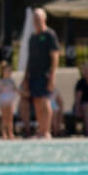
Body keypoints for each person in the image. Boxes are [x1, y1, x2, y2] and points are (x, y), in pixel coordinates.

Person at [25, 8, 60, 139]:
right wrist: (26, 77)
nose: (36, 22)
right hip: (33, 74)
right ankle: (41, 130)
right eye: (34, 19)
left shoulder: (50, 35)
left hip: (45, 74)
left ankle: (47, 131)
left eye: (38, 19)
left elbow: (55, 56)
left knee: (45, 101)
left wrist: (52, 75)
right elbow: (30, 59)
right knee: (37, 101)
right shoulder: (32, 38)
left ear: (44, 19)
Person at [0, 61, 18, 140]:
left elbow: (15, 89)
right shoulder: (1, 81)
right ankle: (3, 133)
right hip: (3, 100)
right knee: (4, 117)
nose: (9, 73)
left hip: (10, 100)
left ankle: (10, 133)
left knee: (10, 117)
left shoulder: (11, 81)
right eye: (7, 71)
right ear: (3, 72)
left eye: (10, 71)